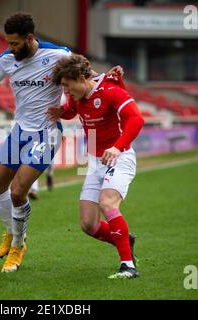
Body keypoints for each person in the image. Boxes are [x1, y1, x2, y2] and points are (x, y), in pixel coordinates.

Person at [0, 12, 122, 273]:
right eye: (8, 43)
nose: (10, 48)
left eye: (15, 43)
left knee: (19, 191)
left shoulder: (57, 55)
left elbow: (86, 73)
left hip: (47, 133)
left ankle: (19, 246)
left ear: (30, 38)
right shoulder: (7, 59)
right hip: (20, 130)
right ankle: (10, 233)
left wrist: (108, 77)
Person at [48, 54, 144, 279]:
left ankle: (128, 266)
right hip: (95, 161)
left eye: (66, 85)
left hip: (119, 158)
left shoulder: (110, 91)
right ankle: (125, 240)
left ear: (81, 78)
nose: (65, 91)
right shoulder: (77, 96)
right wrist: (62, 112)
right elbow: (73, 108)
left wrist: (118, 147)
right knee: (88, 224)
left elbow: (136, 119)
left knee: (107, 203)